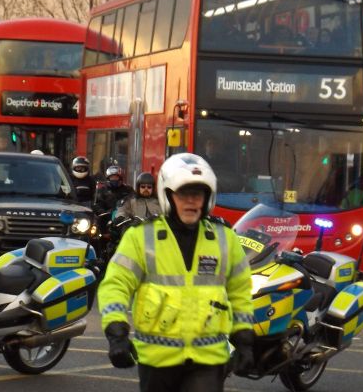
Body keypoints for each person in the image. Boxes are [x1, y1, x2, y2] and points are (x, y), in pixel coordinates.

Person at [98, 153, 254, 391]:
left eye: (198, 194)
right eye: (184, 193)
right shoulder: (141, 237)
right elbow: (115, 285)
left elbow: (240, 291)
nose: (191, 201)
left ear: (207, 198)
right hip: (157, 360)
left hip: (208, 360)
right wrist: (116, 333)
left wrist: (243, 339)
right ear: (169, 195)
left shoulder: (225, 239)